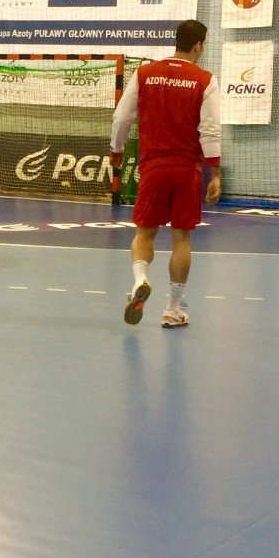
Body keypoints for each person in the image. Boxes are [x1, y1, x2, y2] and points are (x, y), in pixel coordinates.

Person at [108, 18, 220, 328]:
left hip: (153, 167)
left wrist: (117, 149)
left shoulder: (144, 73)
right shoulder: (205, 80)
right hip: (187, 170)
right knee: (181, 238)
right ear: (199, 45)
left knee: (144, 233)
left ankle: (140, 280)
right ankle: (172, 310)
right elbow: (210, 130)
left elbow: (122, 117)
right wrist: (215, 173)